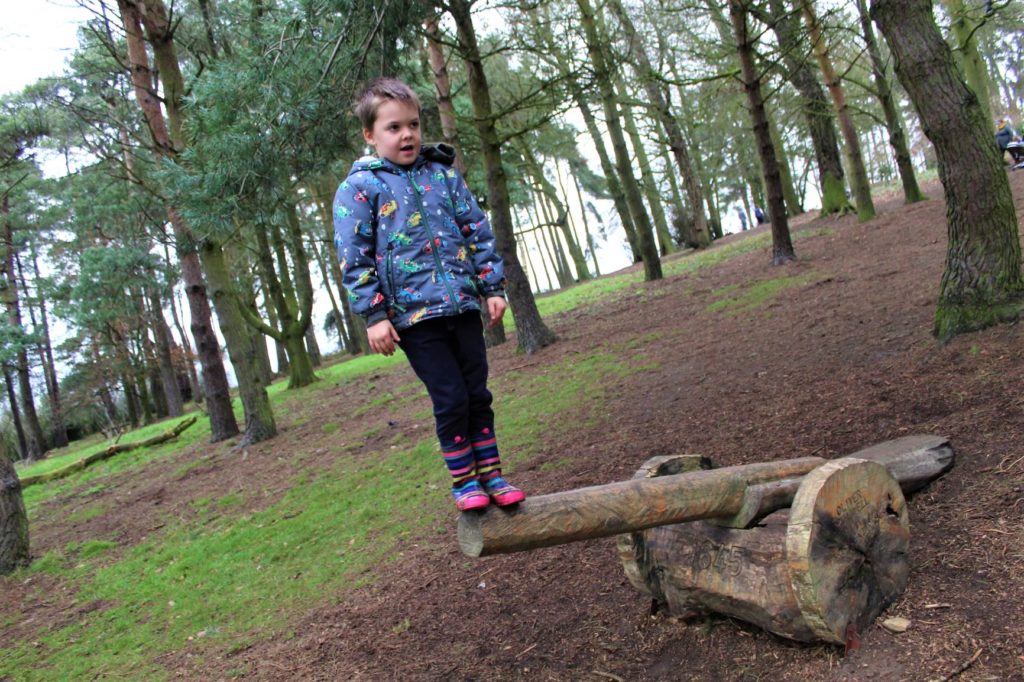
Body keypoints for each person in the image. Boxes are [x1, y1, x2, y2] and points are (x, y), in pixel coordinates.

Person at [334, 78, 525, 512]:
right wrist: (374, 315)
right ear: (370, 135)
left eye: (414, 125)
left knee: (477, 393)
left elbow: (476, 229)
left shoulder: (442, 175)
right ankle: (464, 481)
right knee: (451, 396)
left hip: (461, 305)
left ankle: (492, 474)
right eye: (394, 127)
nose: (407, 135)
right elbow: (354, 255)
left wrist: (491, 286)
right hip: (414, 318)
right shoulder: (359, 188)